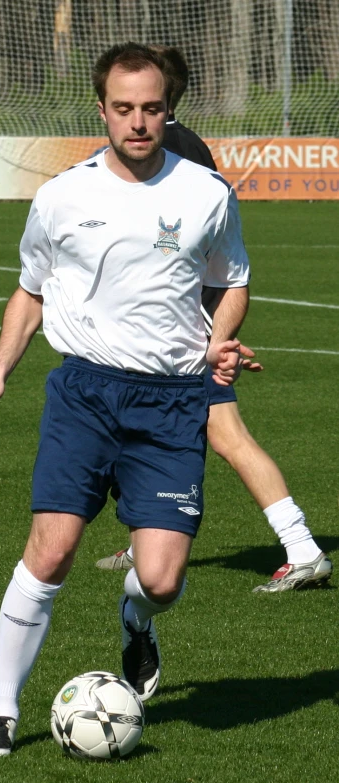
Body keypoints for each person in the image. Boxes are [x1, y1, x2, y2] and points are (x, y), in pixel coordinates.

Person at [0, 41, 253, 756]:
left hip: (173, 401)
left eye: (151, 109)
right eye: (124, 109)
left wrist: (220, 339)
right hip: (84, 393)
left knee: (162, 578)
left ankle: (137, 618)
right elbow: (30, 290)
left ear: (167, 110)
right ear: (102, 110)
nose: (138, 122)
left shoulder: (206, 193)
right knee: (51, 552)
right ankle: (2, 709)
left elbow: (231, 278)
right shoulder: (61, 196)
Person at [95, 46, 333, 594]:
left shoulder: (173, 154)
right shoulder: (181, 145)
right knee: (144, 433)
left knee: (226, 435)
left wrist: (213, 333)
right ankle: (144, 541)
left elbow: (201, 255)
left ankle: (301, 548)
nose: (135, 116)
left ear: (163, 95)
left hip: (183, 331)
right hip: (177, 327)